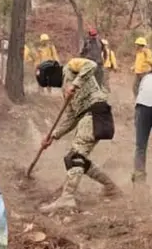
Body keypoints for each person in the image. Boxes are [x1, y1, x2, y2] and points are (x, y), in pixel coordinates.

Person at [39, 57, 121, 212]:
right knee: (78, 159)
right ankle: (111, 188)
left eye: (49, 82)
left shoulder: (71, 66)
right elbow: (71, 118)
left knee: (74, 157)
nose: (52, 86)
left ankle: (67, 198)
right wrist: (53, 136)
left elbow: (92, 64)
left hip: (95, 113)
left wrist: (75, 84)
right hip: (87, 117)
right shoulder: (66, 93)